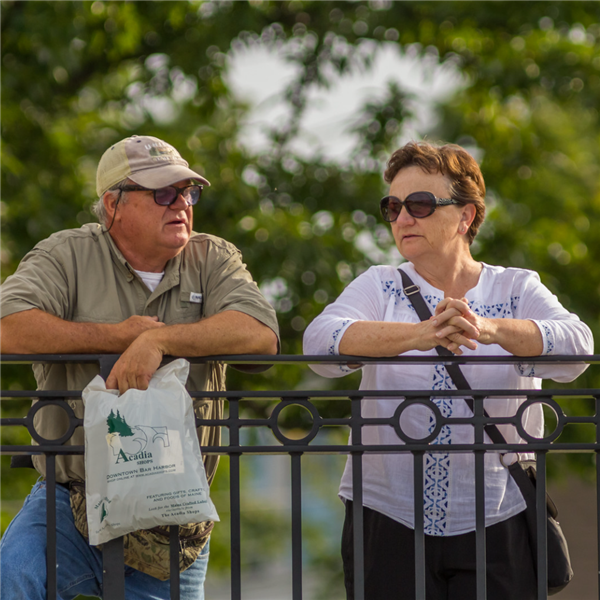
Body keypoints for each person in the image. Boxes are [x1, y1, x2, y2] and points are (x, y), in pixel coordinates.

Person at [303, 141, 594, 600]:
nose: (402, 219)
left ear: (466, 216)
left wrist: (490, 328)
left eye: (419, 204)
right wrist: (422, 335)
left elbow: (578, 350)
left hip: (500, 513)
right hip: (387, 514)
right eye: (393, 206)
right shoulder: (379, 284)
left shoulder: (516, 286)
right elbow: (319, 345)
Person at [0, 135, 279, 600]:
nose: (182, 204)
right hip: (71, 498)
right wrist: (118, 336)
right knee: (12, 579)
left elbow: (260, 334)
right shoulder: (65, 253)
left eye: (189, 192)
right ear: (113, 205)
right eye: (164, 193)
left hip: (172, 515)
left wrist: (159, 339)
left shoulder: (213, 257)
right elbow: (8, 328)